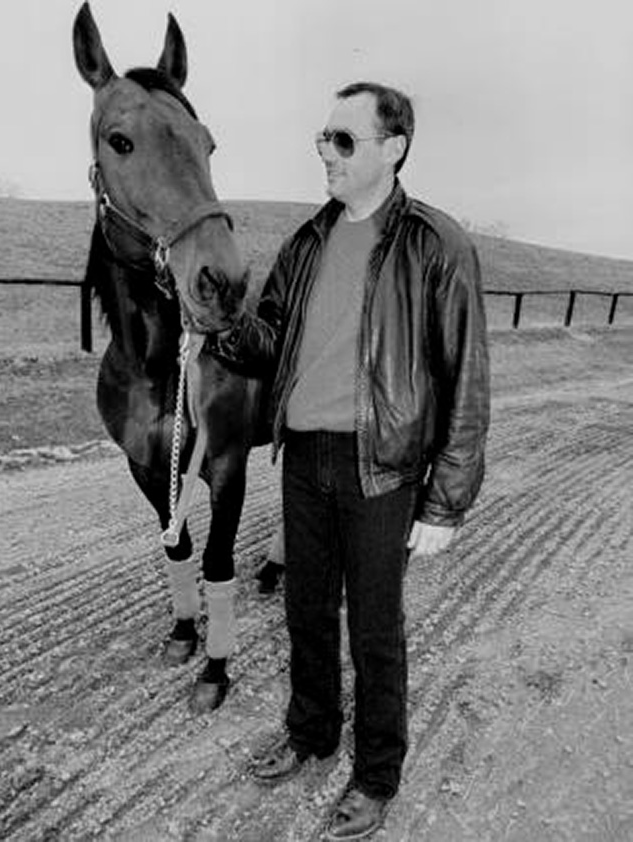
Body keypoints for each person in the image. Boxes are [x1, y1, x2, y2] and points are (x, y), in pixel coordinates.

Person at [210, 81, 490, 841]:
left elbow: (465, 374)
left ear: (392, 147)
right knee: (305, 612)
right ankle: (311, 732)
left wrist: (447, 497)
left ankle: (375, 775)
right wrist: (226, 324)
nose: (325, 153)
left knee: (374, 629)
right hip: (305, 457)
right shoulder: (307, 242)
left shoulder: (436, 243)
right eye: (321, 140)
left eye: (343, 140)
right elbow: (271, 338)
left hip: (382, 466)